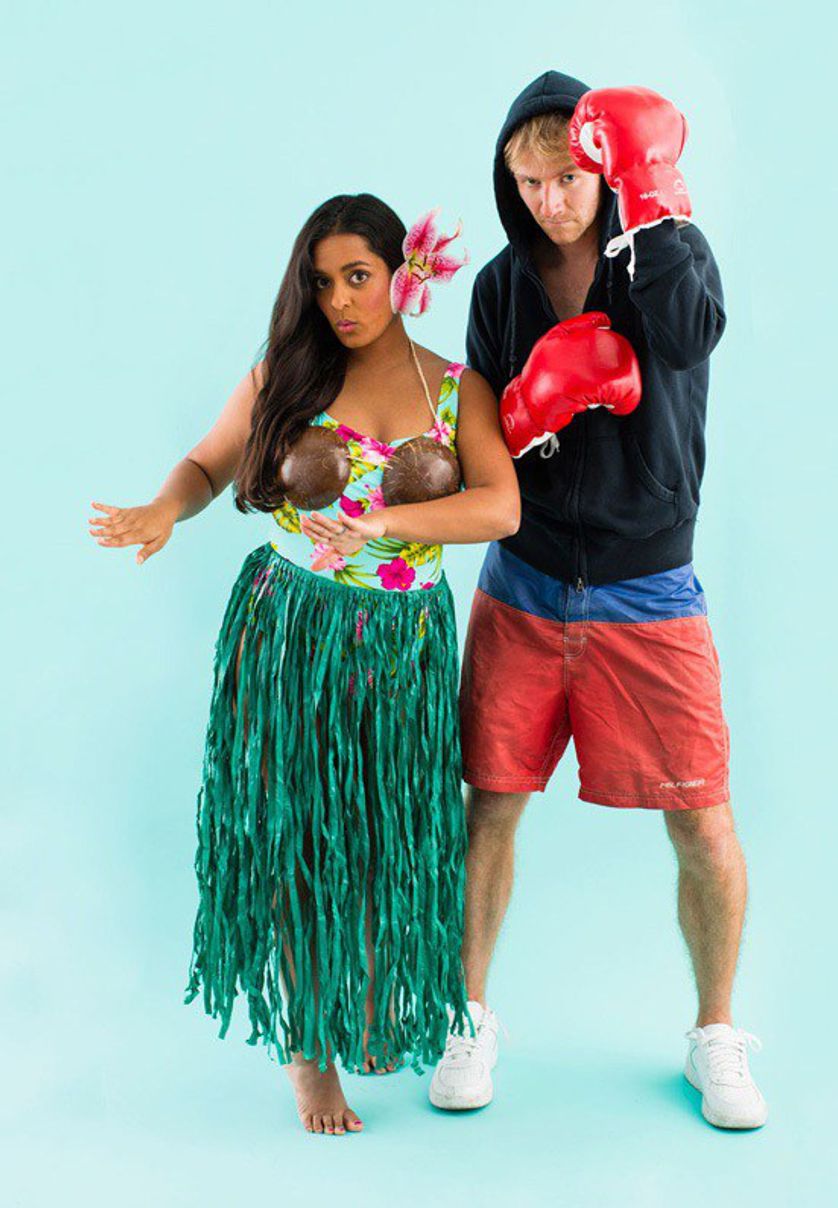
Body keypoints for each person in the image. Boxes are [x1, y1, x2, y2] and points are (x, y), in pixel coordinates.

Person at [89, 194, 520, 1136]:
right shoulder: (282, 377)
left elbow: (500, 507)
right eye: (321, 283)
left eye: (358, 277)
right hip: (292, 633)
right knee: (302, 837)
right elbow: (206, 467)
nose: (339, 301)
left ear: (405, 273)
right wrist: (164, 508)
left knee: (382, 837)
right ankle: (309, 1052)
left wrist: (384, 520)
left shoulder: (457, 391)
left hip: (402, 645)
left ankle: (358, 1002)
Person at [427, 71, 768, 1130]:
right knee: (489, 803)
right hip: (524, 581)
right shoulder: (500, 285)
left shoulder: (670, 249)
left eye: (567, 180)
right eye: (528, 184)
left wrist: (651, 213)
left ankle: (716, 1032)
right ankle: (466, 1015)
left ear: (606, 167)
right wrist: (531, 407)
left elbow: (691, 336)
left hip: (647, 587)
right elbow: (475, 437)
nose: (549, 202)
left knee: (700, 815)